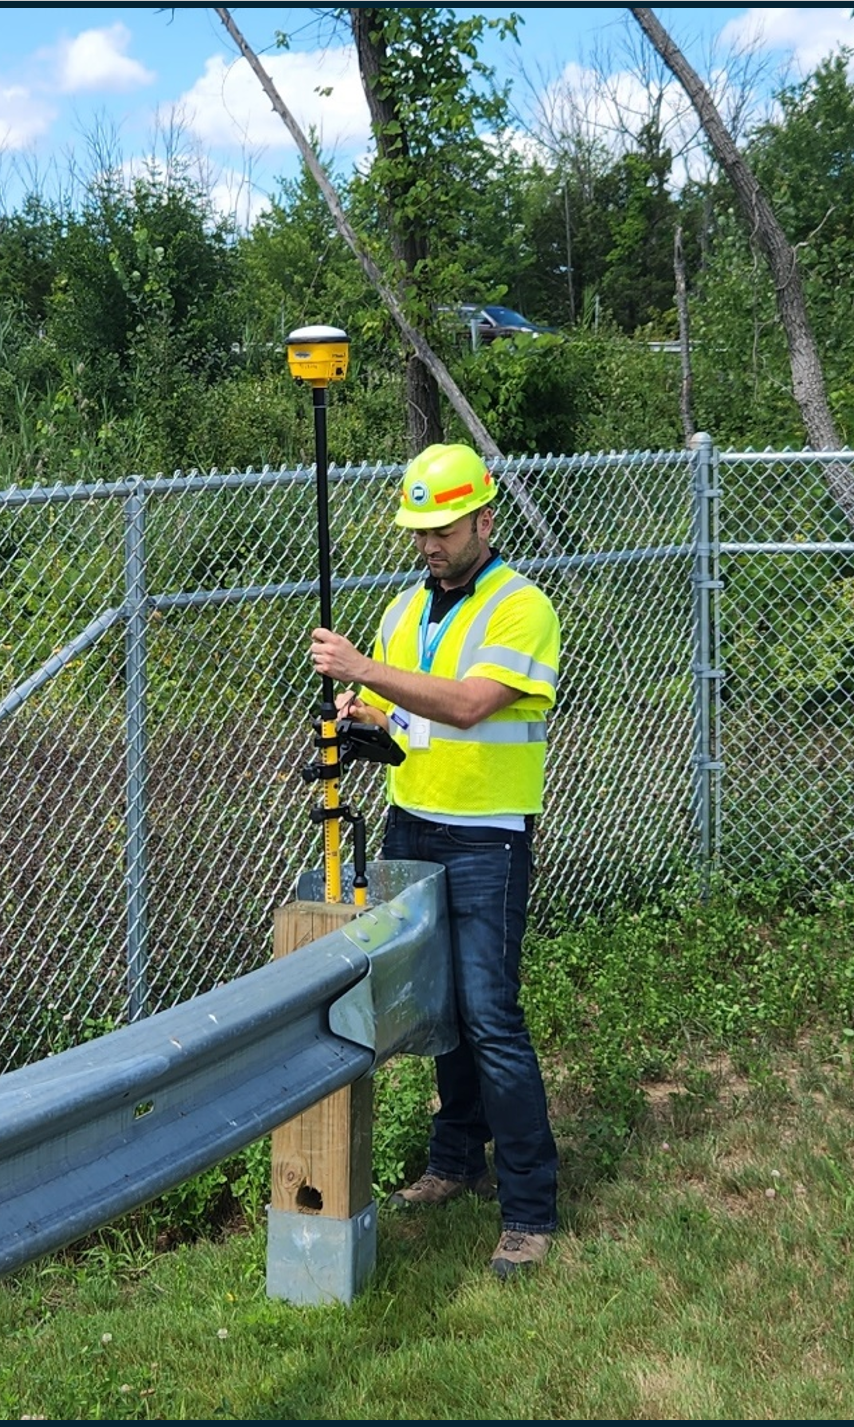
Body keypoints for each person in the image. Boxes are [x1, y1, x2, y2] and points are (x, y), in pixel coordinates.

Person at [308, 442, 563, 1281]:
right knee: (435, 1009)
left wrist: (362, 669)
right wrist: (360, 712)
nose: (429, 544)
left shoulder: (523, 608)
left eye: (444, 528)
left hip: (488, 838)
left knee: (491, 1016)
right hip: (411, 826)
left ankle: (529, 1208)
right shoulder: (401, 612)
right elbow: (403, 722)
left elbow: (466, 705)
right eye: (419, 530)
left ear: (485, 519)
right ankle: (455, 1158)